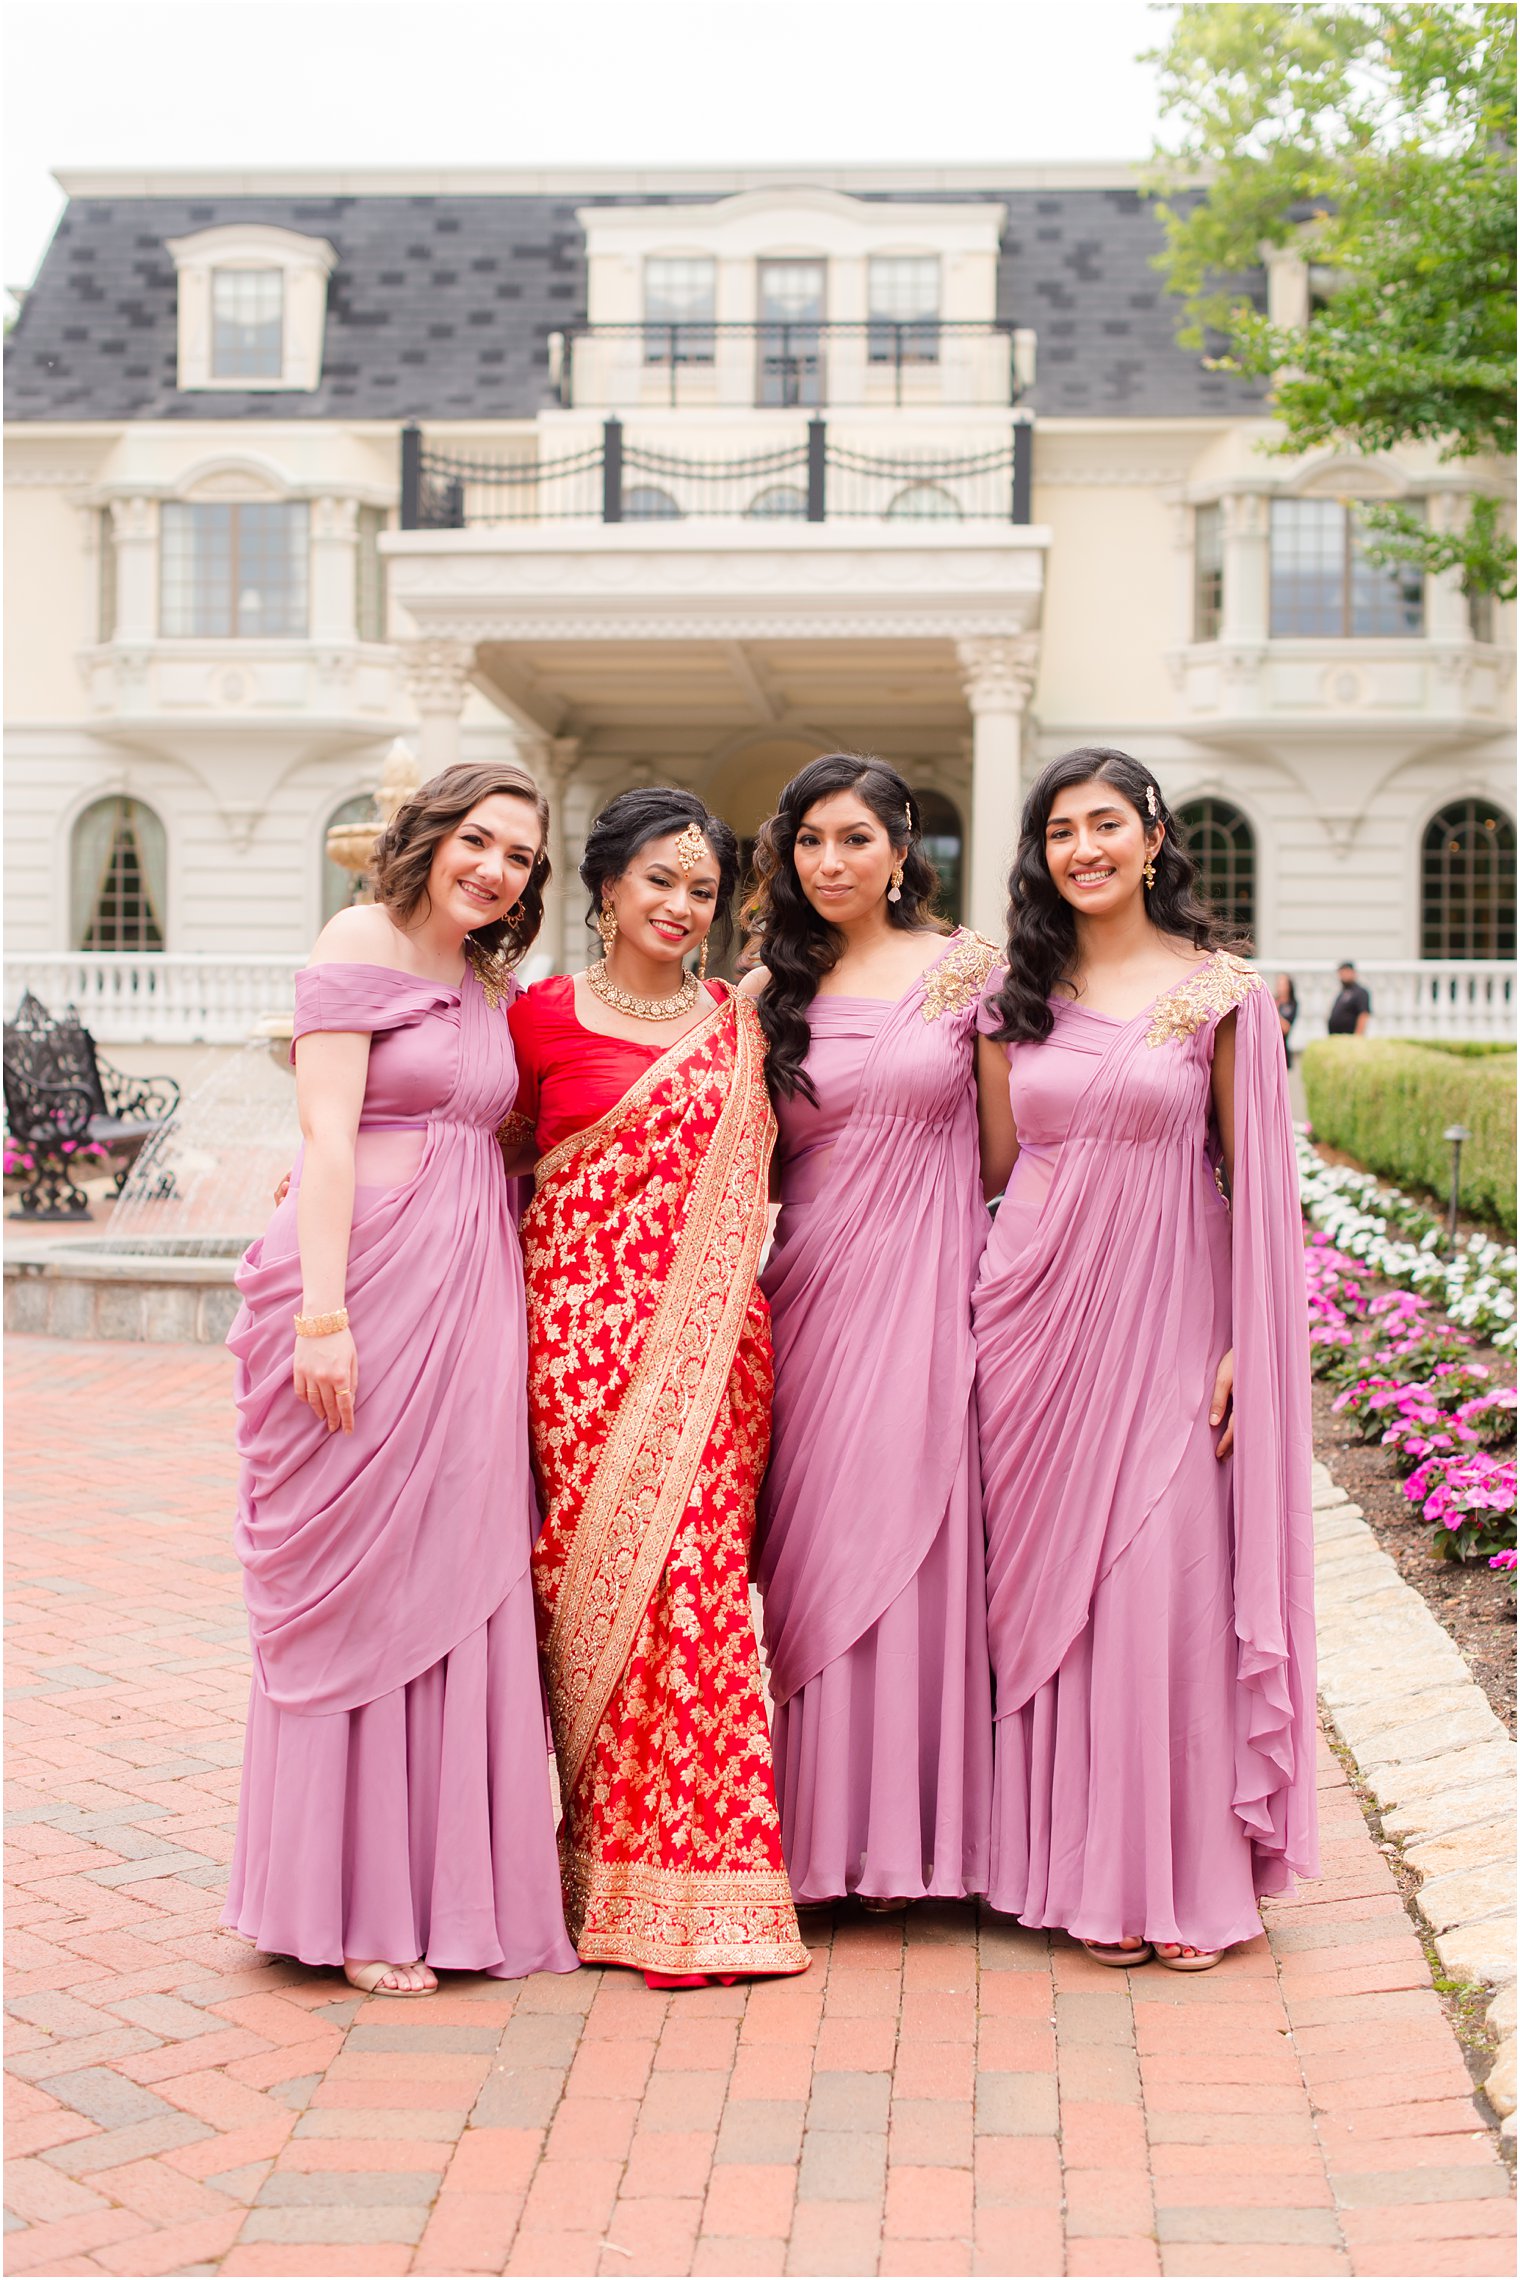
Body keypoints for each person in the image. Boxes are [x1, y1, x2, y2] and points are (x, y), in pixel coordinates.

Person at [224, 761, 577, 1996]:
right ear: (430, 835)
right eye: (478, 841)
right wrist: (320, 1317)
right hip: (362, 1286)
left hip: (471, 1291)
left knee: (458, 1562)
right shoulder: (359, 932)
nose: (493, 869)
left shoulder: (489, 980)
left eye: (519, 858)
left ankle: (448, 1893)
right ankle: (355, 1902)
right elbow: (325, 1130)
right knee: (366, 1575)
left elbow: (513, 1138)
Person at [973, 746, 1317, 1971]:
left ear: (1154, 835)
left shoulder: (1222, 996)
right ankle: (1070, 1874)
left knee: (1158, 1587)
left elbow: (1254, 1189)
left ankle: (1170, 1874)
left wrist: (1240, 1338)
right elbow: (994, 1172)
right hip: (1026, 1331)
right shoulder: (1016, 996)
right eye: (1059, 830)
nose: (1082, 849)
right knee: (1050, 1608)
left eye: (1104, 824)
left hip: (1170, 1314)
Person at [504, 787, 809, 1988]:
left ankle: (713, 1890)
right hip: (574, 1348)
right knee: (592, 1598)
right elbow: (479, 1153)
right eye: (658, 881)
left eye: (700, 888)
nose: (680, 906)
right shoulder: (535, 1018)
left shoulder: (742, 1026)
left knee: (696, 1596)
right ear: (605, 887)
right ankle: (604, 1880)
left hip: (712, 1351)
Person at [742, 754, 996, 1911]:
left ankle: (916, 1844)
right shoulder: (764, 991)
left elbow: (1009, 1148)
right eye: (808, 841)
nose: (828, 862)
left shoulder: (970, 973)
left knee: (925, 1543)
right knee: (810, 1548)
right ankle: (814, 1840)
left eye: (852, 839)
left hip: (935, 1286)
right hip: (811, 1297)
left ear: (902, 852)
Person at [1327, 960, 1371, 1036]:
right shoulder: (1343, 992)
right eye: (1341, 973)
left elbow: (1363, 1014)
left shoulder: (1360, 992)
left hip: (1349, 1037)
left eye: (1346, 972)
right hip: (1337, 1037)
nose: (1343, 975)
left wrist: (1358, 1036)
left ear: (1353, 973)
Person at [1274, 972, 1298, 1065]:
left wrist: (1275, 1010)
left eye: (1283, 984)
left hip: (1283, 1048)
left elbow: (1286, 1028)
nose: (1280, 988)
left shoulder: (1292, 1004)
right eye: (1279, 984)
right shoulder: (1273, 1000)